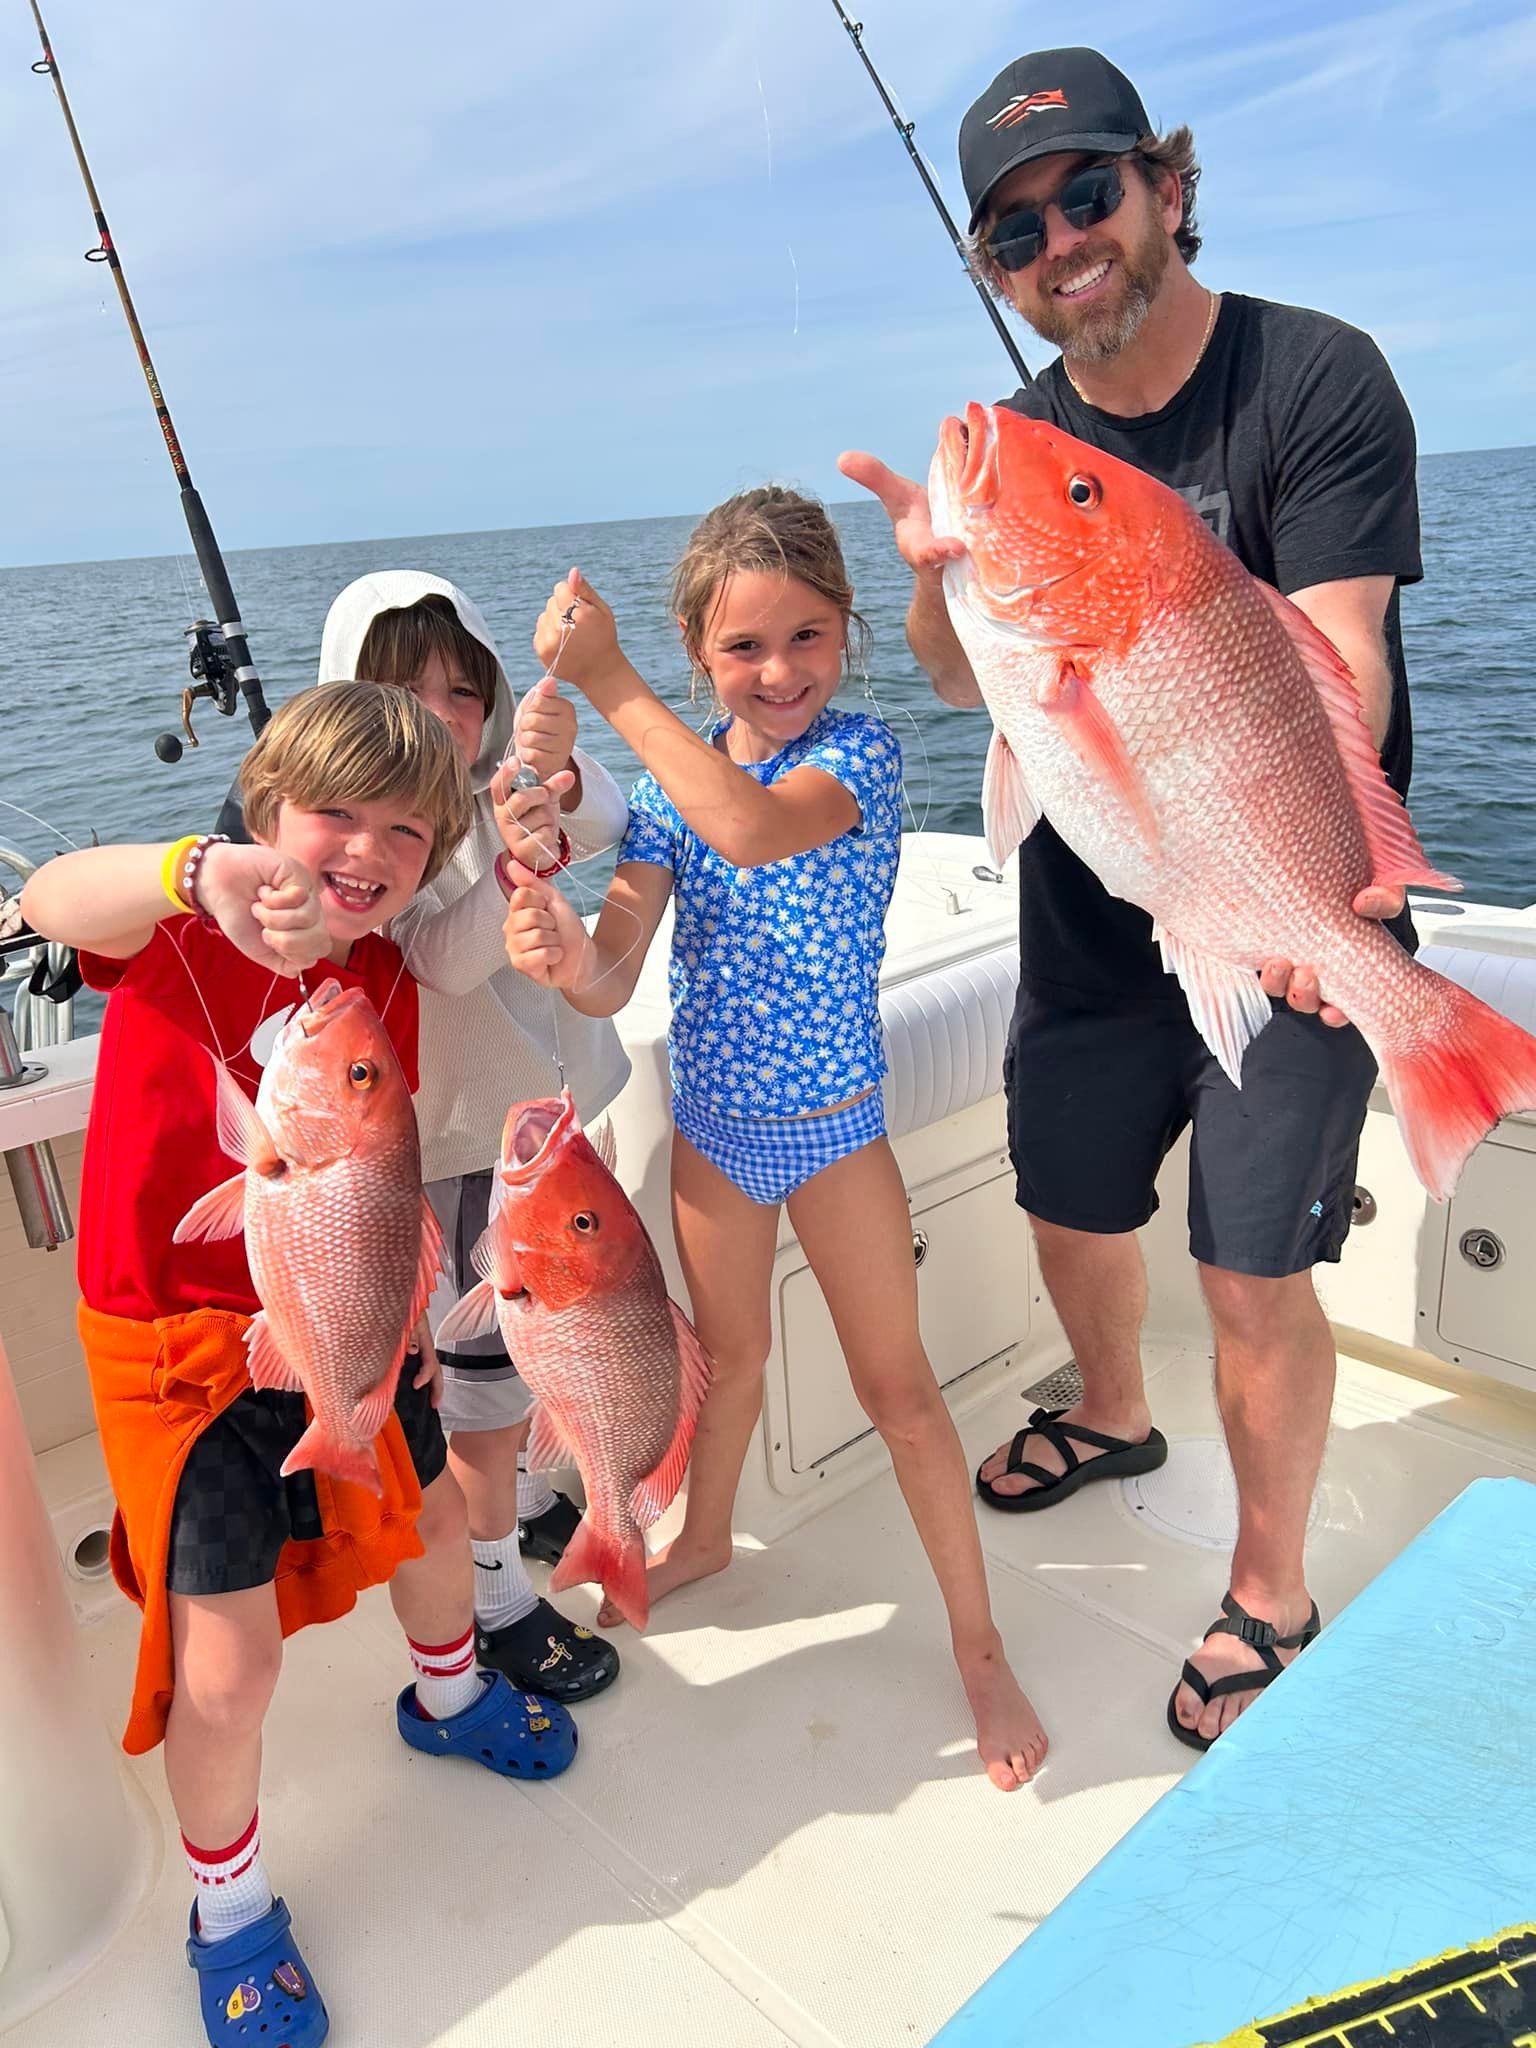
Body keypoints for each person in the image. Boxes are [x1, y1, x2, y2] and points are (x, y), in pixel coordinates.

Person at [840, 46, 1423, 1750]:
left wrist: (1320, 901)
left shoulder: (1315, 374)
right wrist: (939, 582)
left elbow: (1342, 659)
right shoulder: (1016, 445)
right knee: (1070, 1201)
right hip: (1094, 923)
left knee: (1247, 1272)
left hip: (1290, 891)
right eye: (1016, 231)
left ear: (1166, 187)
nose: (1061, 243)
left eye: (1087, 192)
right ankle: (1111, 1408)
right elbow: (976, 683)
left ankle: (1268, 1589)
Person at [22, 683, 578, 2048]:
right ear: (267, 809)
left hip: (348, 1314)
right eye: (335, 813)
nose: (367, 849)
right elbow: (45, 898)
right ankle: (228, 1913)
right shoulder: (173, 930)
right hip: (180, 1351)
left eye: (406, 831)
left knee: (433, 1518)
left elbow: (381, 1173)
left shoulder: (381, 971)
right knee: (228, 1666)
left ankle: (450, 1693)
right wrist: (192, 871)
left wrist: (408, 1313)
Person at [500, 488, 1049, 1792]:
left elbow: (751, 824)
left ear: (847, 629)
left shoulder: (859, 760)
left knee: (899, 1392)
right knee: (728, 1354)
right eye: (745, 646)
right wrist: (564, 948)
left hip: (837, 1134)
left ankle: (977, 1647)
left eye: (807, 635)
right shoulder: (668, 794)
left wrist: (609, 680)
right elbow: (612, 979)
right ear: (703, 654)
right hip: (714, 1134)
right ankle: (705, 1535)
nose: (781, 670)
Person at [311, 574, 631, 1704]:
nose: (441, 713)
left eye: (464, 689)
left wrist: (560, 768)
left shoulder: (504, 782)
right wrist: (510, 853)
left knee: (519, 1376)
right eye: (405, 688)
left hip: (529, 1137)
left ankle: (522, 1503)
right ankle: (496, 1600)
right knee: (481, 1402)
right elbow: (438, 958)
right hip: (445, 1154)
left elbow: (606, 822)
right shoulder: (368, 838)